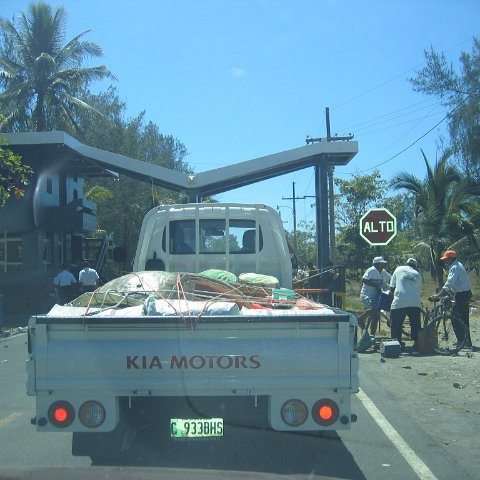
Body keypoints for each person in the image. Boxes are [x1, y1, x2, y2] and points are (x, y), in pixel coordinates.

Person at [430, 250, 473, 348]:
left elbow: (449, 283)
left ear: (450, 259)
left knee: (454, 317)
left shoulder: (454, 267)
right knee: (464, 318)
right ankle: (467, 342)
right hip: (465, 293)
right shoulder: (459, 265)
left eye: (446, 259)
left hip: (462, 294)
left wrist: (438, 295)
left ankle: (461, 341)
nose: (445, 261)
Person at [389, 258, 422, 349]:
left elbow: (392, 288)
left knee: (396, 324)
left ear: (406, 264)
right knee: (415, 324)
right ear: (415, 266)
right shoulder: (418, 274)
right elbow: (419, 291)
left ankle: (396, 343)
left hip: (400, 301)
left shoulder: (398, 269)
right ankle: (416, 343)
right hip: (414, 302)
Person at [358, 256, 391, 335]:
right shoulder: (372, 270)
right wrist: (376, 285)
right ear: (377, 264)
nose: (383, 265)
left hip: (376, 297)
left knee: (375, 317)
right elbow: (364, 280)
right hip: (366, 295)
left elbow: (390, 278)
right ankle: (360, 318)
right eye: (382, 264)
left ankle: (372, 335)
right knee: (373, 310)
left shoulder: (383, 272)